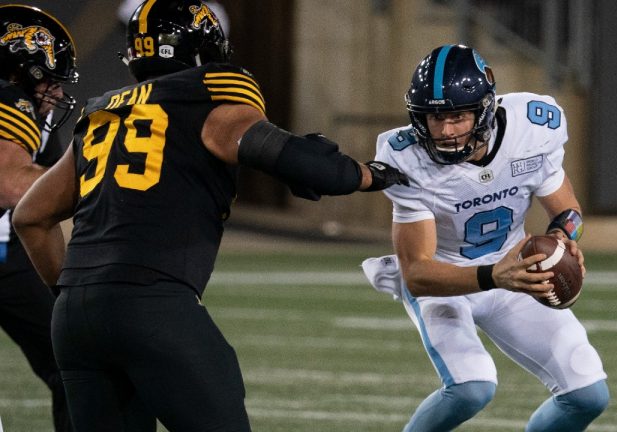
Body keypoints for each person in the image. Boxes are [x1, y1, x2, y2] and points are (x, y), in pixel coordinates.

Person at [11, 1, 408, 431]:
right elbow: (306, 164)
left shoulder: (101, 115)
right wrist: (370, 174)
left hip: (75, 321)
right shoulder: (208, 100)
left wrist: (69, 293)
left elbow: (31, 216)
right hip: (153, 305)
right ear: (205, 49)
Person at [362, 44, 609, 431]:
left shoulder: (532, 128)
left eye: (457, 116)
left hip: (514, 271)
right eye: (435, 118)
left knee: (588, 394)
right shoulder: (406, 158)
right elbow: (417, 274)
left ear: (485, 109)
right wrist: (494, 276)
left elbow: (569, 212)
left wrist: (562, 238)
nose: (445, 131)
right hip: (446, 279)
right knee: (471, 388)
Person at [0, 4, 77, 431]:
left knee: (74, 359)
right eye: (51, 81)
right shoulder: (9, 99)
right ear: (18, 72)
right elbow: (11, 185)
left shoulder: (30, 113)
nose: (59, 95)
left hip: (7, 252)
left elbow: (42, 198)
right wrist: (104, 182)